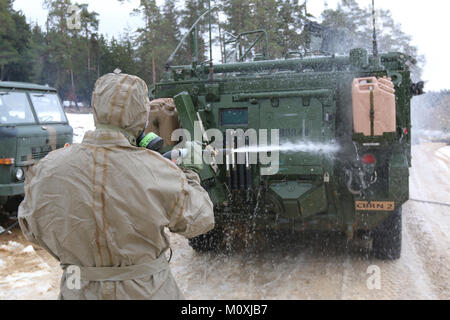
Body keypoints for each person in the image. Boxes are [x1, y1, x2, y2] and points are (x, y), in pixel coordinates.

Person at [18, 71, 215, 300]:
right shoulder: (158, 169)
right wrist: (189, 173)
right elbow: (201, 220)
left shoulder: (48, 167)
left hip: (79, 288)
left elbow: (31, 230)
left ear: (95, 110)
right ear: (142, 117)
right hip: (147, 291)